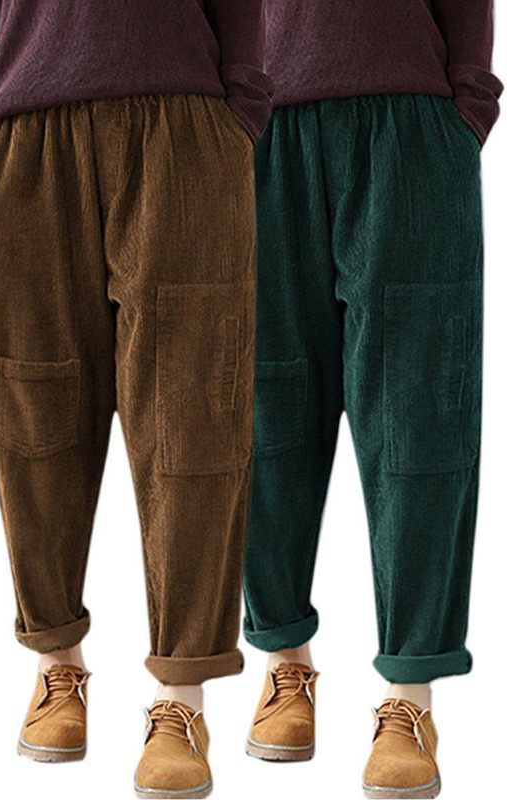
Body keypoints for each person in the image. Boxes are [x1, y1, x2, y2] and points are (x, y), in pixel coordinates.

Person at [0, 1, 271, 796]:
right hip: (22, 135)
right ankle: (56, 662)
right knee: (34, 406)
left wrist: (238, 109)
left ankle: (182, 696)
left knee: (194, 412)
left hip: (184, 126)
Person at [242, 2, 500, 797]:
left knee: (419, 411)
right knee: (260, 406)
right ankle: (284, 659)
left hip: (408, 125)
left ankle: (409, 693)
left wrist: (464, 107)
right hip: (257, 128)